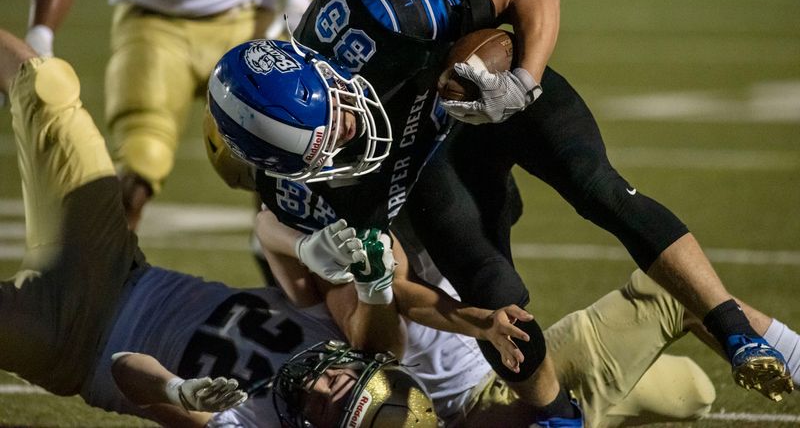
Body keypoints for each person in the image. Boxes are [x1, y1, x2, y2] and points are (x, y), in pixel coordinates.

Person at [0, 29, 728, 428]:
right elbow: (374, 317)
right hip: (123, 267)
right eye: (352, 384)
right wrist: (401, 287)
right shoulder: (362, 354)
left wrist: (183, 394)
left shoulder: (256, 422)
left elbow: (133, 373)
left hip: (76, 344)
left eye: (331, 402)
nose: (330, 383)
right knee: (47, 85)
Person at [207, 0, 795, 423]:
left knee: (599, 188)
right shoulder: (318, 184)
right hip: (431, 166)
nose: (344, 145)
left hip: (494, 102)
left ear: (318, 70)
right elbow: (380, 290)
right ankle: (557, 419)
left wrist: (525, 80)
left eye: (335, 124)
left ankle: (732, 324)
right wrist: (382, 280)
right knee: (493, 288)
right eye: (320, 155)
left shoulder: (376, 15)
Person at [25, 0, 322, 231]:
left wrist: (299, 2)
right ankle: (102, 279)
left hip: (247, 19)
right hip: (155, 26)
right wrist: (40, 37)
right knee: (140, 163)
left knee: (281, 167)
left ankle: (281, 271)